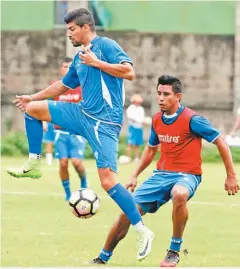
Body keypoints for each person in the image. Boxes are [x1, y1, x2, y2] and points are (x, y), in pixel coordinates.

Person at [7, 8, 154, 260]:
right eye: (67, 30)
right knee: (32, 110)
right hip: (82, 113)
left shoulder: (106, 45)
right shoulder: (78, 57)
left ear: (85, 28)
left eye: (72, 29)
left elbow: (129, 72)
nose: (69, 34)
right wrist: (32, 96)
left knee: (108, 181)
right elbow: (63, 86)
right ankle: (34, 163)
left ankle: (142, 230)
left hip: (104, 123)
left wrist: (97, 63)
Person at [90, 74, 239, 267]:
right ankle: (102, 258)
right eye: (159, 93)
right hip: (160, 175)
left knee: (179, 193)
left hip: (188, 175)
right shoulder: (157, 120)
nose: (161, 98)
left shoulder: (193, 119)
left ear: (178, 97)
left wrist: (231, 175)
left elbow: (221, 141)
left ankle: (174, 251)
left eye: (166, 94)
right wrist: (134, 175)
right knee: (128, 212)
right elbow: (151, 149)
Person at [53, 57, 87, 200]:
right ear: (61, 69)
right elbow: (47, 105)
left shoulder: (81, 88)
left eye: (69, 66)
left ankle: (84, 181)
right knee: (63, 162)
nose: (67, 69)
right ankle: (67, 193)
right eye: (64, 66)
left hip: (76, 132)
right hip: (60, 133)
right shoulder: (55, 87)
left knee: (77, 163)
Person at [125, 94, 145, 163]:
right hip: (132, 127)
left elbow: (142, 118)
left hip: (139, 128)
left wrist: (144, 122)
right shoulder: (131, 108)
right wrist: (139, 120)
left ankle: (137, 158)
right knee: (130, 143)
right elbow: (131, 117)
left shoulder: (141, 109)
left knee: (137, 144)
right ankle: (128, 157)